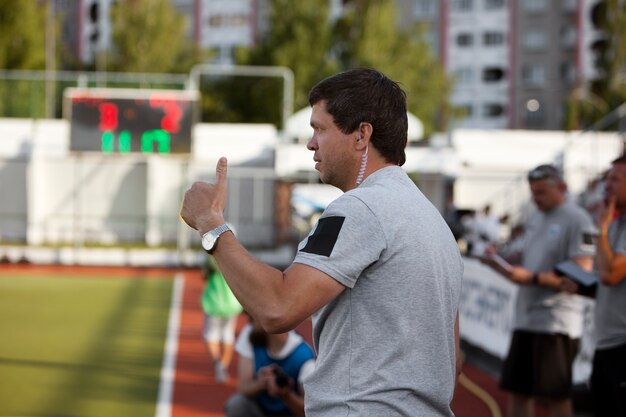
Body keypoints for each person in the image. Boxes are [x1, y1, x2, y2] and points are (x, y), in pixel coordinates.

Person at [180, 67, 463, 416]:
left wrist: (211, 224)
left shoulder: (361, 208)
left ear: (361, 135)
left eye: (320, 129)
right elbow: (453, 361)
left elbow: (277, 308)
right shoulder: (432, 221)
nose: (311, 142)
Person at [481, 164, 596, 417]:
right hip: (526, 318)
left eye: (542, 192)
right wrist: (499, 262)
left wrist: (532, 277)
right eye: (533, 192)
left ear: (562, 188)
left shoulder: (577, 219)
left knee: (555, 396)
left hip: (556, 322)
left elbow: (582, 274)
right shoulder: (536, 217)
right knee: (518, 391)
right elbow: (523, 257)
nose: (536, 198)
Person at [224, 312, 315, 417]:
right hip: (262, 410)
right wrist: (263, 382)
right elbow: (243, 388)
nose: (249, 322)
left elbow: (309, 410)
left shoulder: (303, 356)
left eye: (252, 317)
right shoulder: (251, 334)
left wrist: (286, 395)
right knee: (237, 404)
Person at [591, 155, 626, 417]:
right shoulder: (615, 223)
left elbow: (610, 275)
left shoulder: (609, 225)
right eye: (607, 177)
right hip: (606, 342)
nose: (607, 184)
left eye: (615, 179)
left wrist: (601, 229)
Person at [200, 255, 243, 383]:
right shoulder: (234, 258)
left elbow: (205, 275)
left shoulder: (211, 259)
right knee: (227, 336)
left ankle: (218, 363)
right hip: (231, 304)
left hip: (214, 304)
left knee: (210, 336)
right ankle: (223, 365)